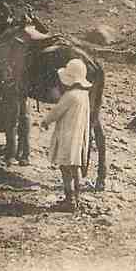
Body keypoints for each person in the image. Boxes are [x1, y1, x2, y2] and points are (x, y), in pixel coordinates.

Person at [40, 58, 91, 211]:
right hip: (79, 137)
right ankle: (77, 198)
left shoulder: (69, 96)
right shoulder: (84, 95)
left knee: (65, 168)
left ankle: (69, 200)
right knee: (75, 168)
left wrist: (46, 121)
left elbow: (57, 111)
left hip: (68, 138)